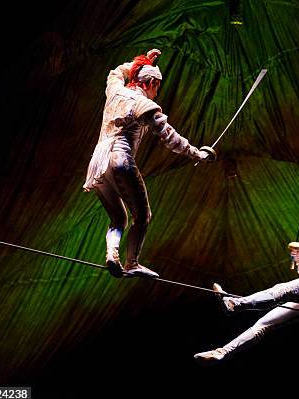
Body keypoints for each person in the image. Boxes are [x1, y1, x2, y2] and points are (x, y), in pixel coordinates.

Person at [83, 49, 215, 278]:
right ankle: (132, 263)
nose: (156, 94)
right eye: (157, 87)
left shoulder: (116, 91)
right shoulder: (143, 104)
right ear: (152, 82)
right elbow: (169, 136)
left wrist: (138, 63)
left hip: (97, 163)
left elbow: (116, 72)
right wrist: (198, 154)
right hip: (120, 160)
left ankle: (112, 254)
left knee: (118, 218)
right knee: (142, 216)